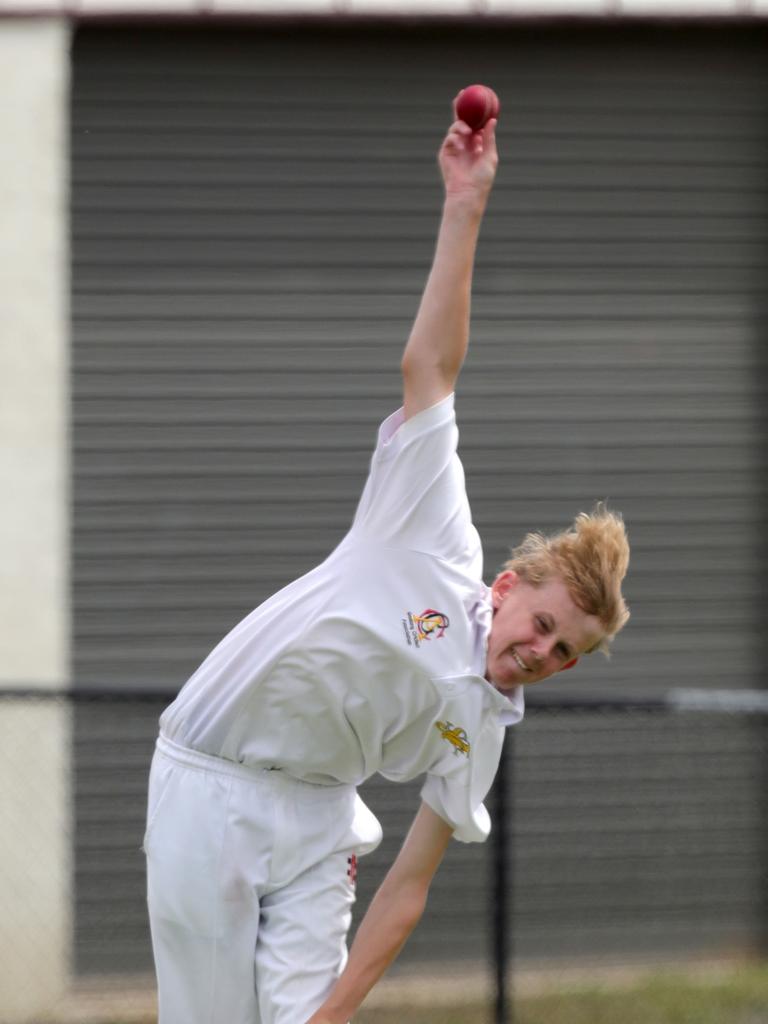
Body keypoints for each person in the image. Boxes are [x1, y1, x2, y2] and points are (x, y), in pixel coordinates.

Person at [143, 104, 629, 1024]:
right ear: (506, 587)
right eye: (544, 624)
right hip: (210, 782)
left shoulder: (482, 729)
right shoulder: (431, 536)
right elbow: (431, 368)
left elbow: (407, 889)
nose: (542, 653)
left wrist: (330, 1017)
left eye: (566, 652)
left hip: (322, 819)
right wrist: (466, 205)